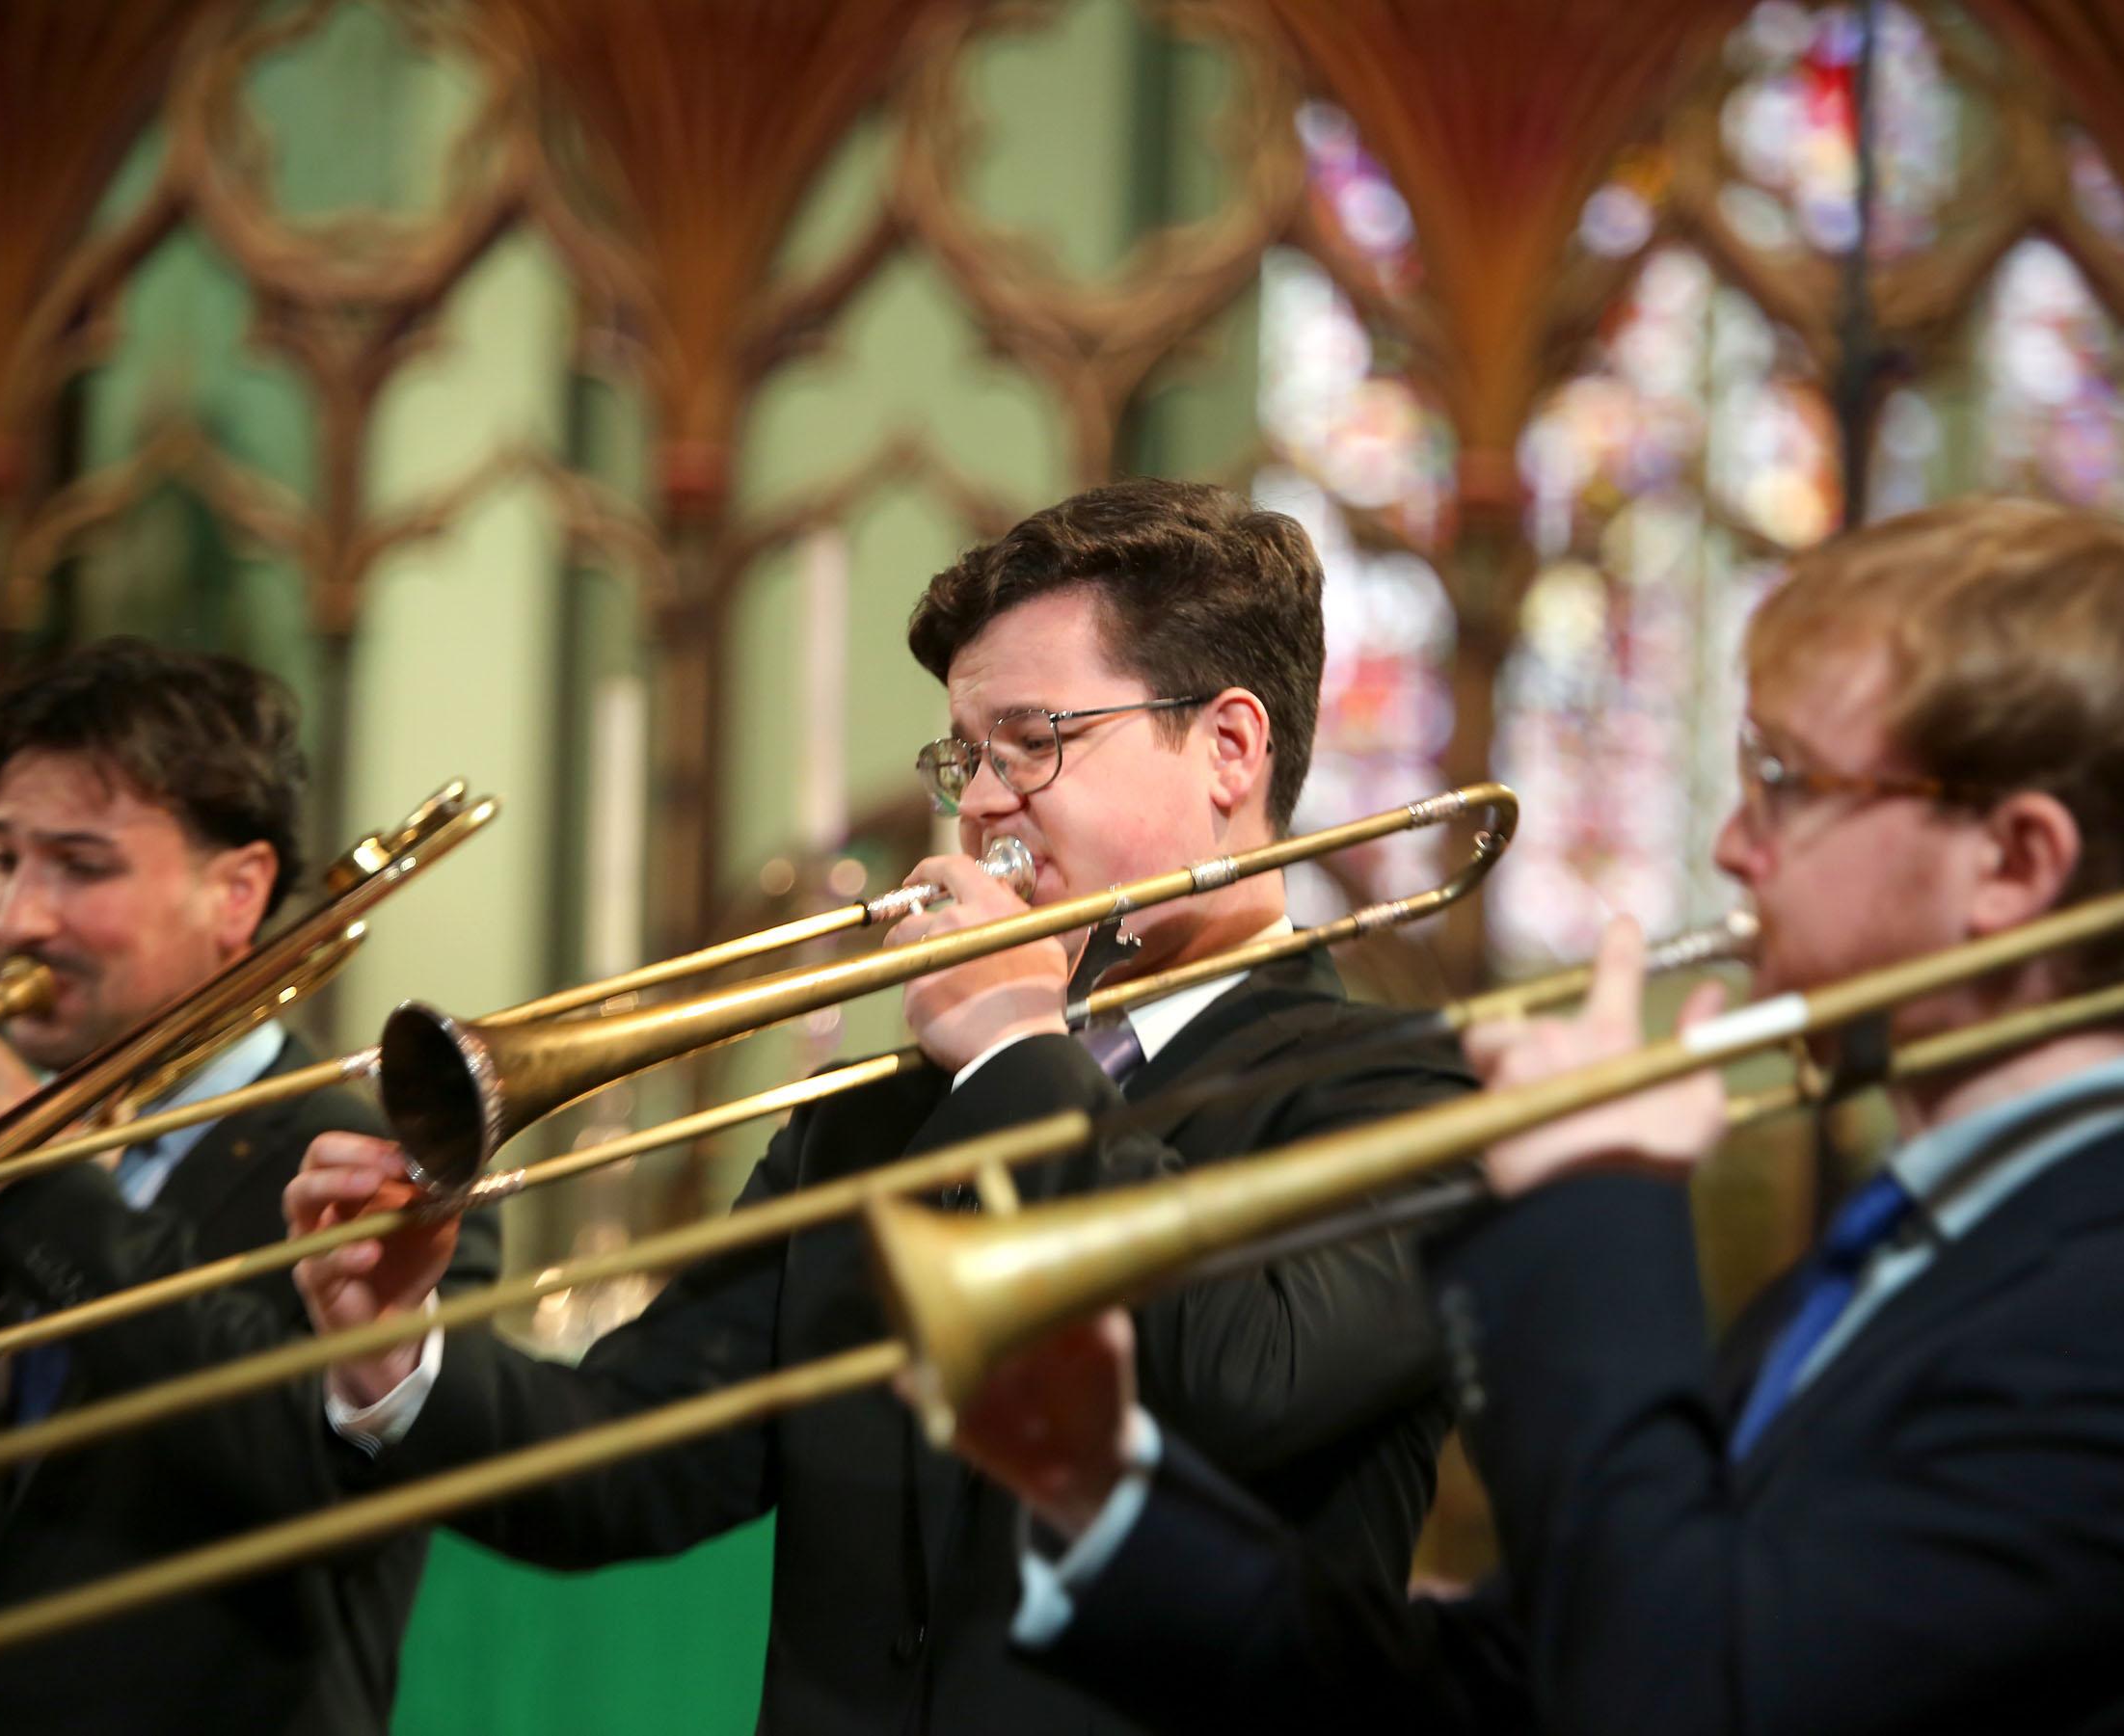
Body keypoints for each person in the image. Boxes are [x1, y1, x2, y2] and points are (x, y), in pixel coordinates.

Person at [940, 496, 2124, 1736]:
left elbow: (1673, 1696)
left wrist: (1597, 1207)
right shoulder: (1913, 1256)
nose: (1734, 844)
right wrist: (1108, 1504)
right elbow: (1504, 1683)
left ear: (2016, 863)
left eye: (1789, 781)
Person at [283, 478, 1475, 1735]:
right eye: (970, 755)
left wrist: (1020, 1047)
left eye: (1037, 742)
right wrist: (395, 1355)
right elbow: (633, 1460)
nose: (983, 803)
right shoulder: (880, 1118)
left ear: (1231, 747)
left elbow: (1245, 1383)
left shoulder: (1406, 1091)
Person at [0, 639, 502, 1735]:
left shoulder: (375, 1164)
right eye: (3, 859)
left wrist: (44, 1201)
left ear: (239, 891)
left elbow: (320, 1471)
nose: (17, 919)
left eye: (81, 867)